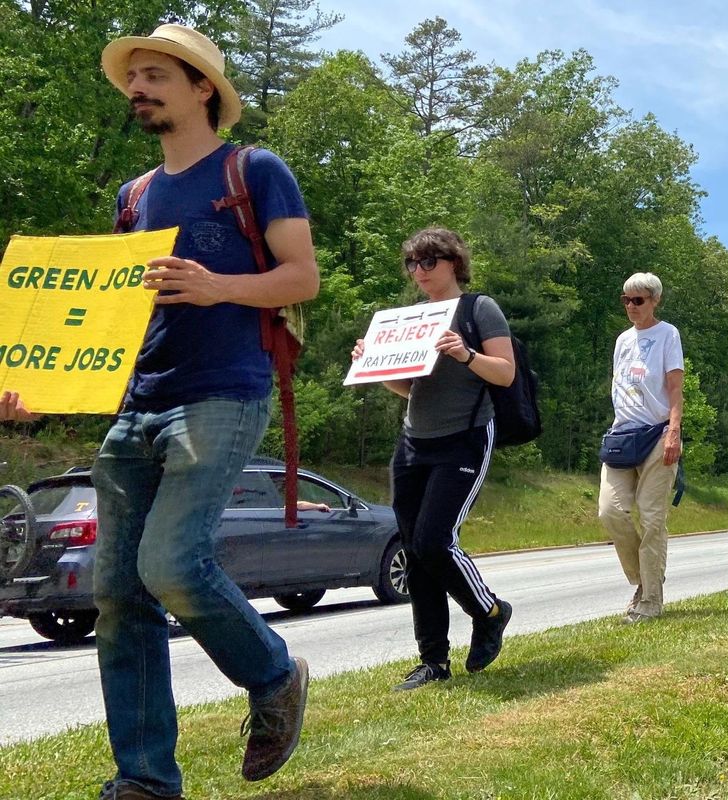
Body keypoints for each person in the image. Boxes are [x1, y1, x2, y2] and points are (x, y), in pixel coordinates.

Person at [91, 25, 319, 800]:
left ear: (202, 90)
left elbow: (302, 278)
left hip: (224, 391)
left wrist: (218, 286)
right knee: (118, 595)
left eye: (155, 75)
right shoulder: (133, 197)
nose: (138, 88)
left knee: (170, 565)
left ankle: (274, 674)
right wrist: (43, 385)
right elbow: (109, 317)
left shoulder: (252, 171)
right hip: (137, 403)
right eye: (134, 77)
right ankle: (145, 779)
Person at [351, 227, 515, 691]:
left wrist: (466, 354)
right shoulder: (412, 318)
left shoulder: (479, 309)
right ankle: (433, 661)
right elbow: (409, 388)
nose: (419, 271)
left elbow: (505, 374)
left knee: (433, 541)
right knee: (415, 551)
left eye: (428, 262)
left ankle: (490, 612)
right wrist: (374, 363)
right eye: (412, 264)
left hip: (464, 438)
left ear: (453, 263)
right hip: (413, 442)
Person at [598, 272, 683, 620]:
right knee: (610, 511)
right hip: (622, 437)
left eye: (638, 300)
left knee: (651, 519)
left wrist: (674, 432)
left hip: (658, 435)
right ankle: (645, 581)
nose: (631, 306)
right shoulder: (622, 340)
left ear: (654, 300)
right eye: (626, 300)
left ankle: (650, 601)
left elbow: (675, 388)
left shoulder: (668, 334)